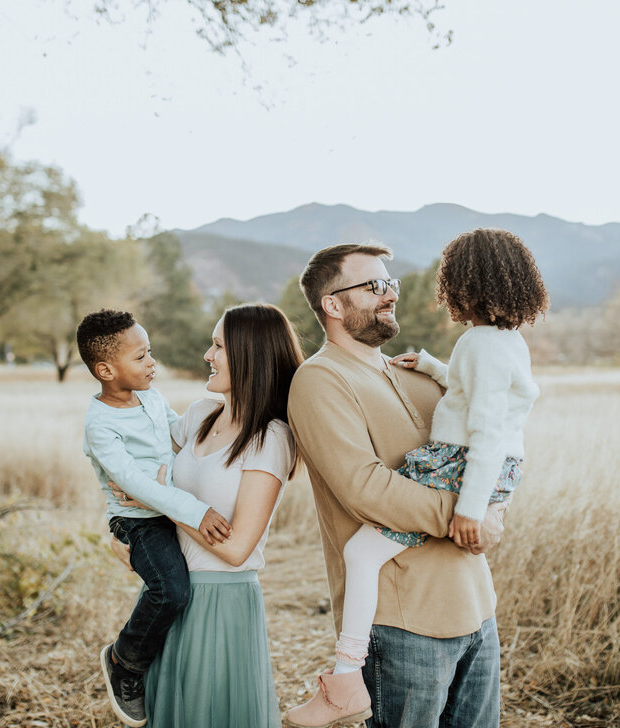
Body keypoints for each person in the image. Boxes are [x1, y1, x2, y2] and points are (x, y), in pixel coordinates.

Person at [286, 230, 548, 728]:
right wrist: (469, 518)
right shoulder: (321, 380)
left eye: (391, 283)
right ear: (333, 306)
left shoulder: (417, 374)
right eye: (372, 286)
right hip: (403, 621)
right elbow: (366, 488)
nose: (389, 293)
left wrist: (496, 508)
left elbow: (490, 449)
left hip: (476, 607)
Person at [107, 303, 306, 728]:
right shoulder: (198, 415)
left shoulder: (271, 438)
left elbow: (235, 550)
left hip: (222, 602)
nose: (207, 355)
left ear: (250, 355)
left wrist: (161, 502)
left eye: (218, 346)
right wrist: (130, 532)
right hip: (169, 592)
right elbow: (145, 472)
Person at [76, 309, 233, 727]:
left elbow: (178, 438)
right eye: (142, 357)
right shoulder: (101, 425)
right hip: (138, 521)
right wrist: (196, 511)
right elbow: (134, 485)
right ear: (107, 369)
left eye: (151, 353)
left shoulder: (151, 397)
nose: (152, 364)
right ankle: (125, 660)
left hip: (170, 508)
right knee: (171, 590)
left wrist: (218, 416)